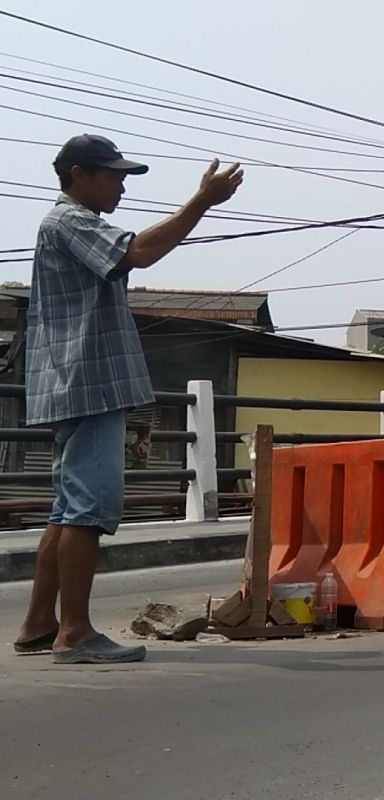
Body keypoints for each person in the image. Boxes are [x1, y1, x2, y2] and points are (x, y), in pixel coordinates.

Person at [12, 134, 243, 664]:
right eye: (113, 175)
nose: (121, 185)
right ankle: (75, 633)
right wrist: (201, 202)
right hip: (87, 385)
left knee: (66, 511)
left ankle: (38, 624)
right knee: (88, 512)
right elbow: (138, 251)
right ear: (78, 174)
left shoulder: (67, 223)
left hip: (78, 383)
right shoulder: (69, 220)